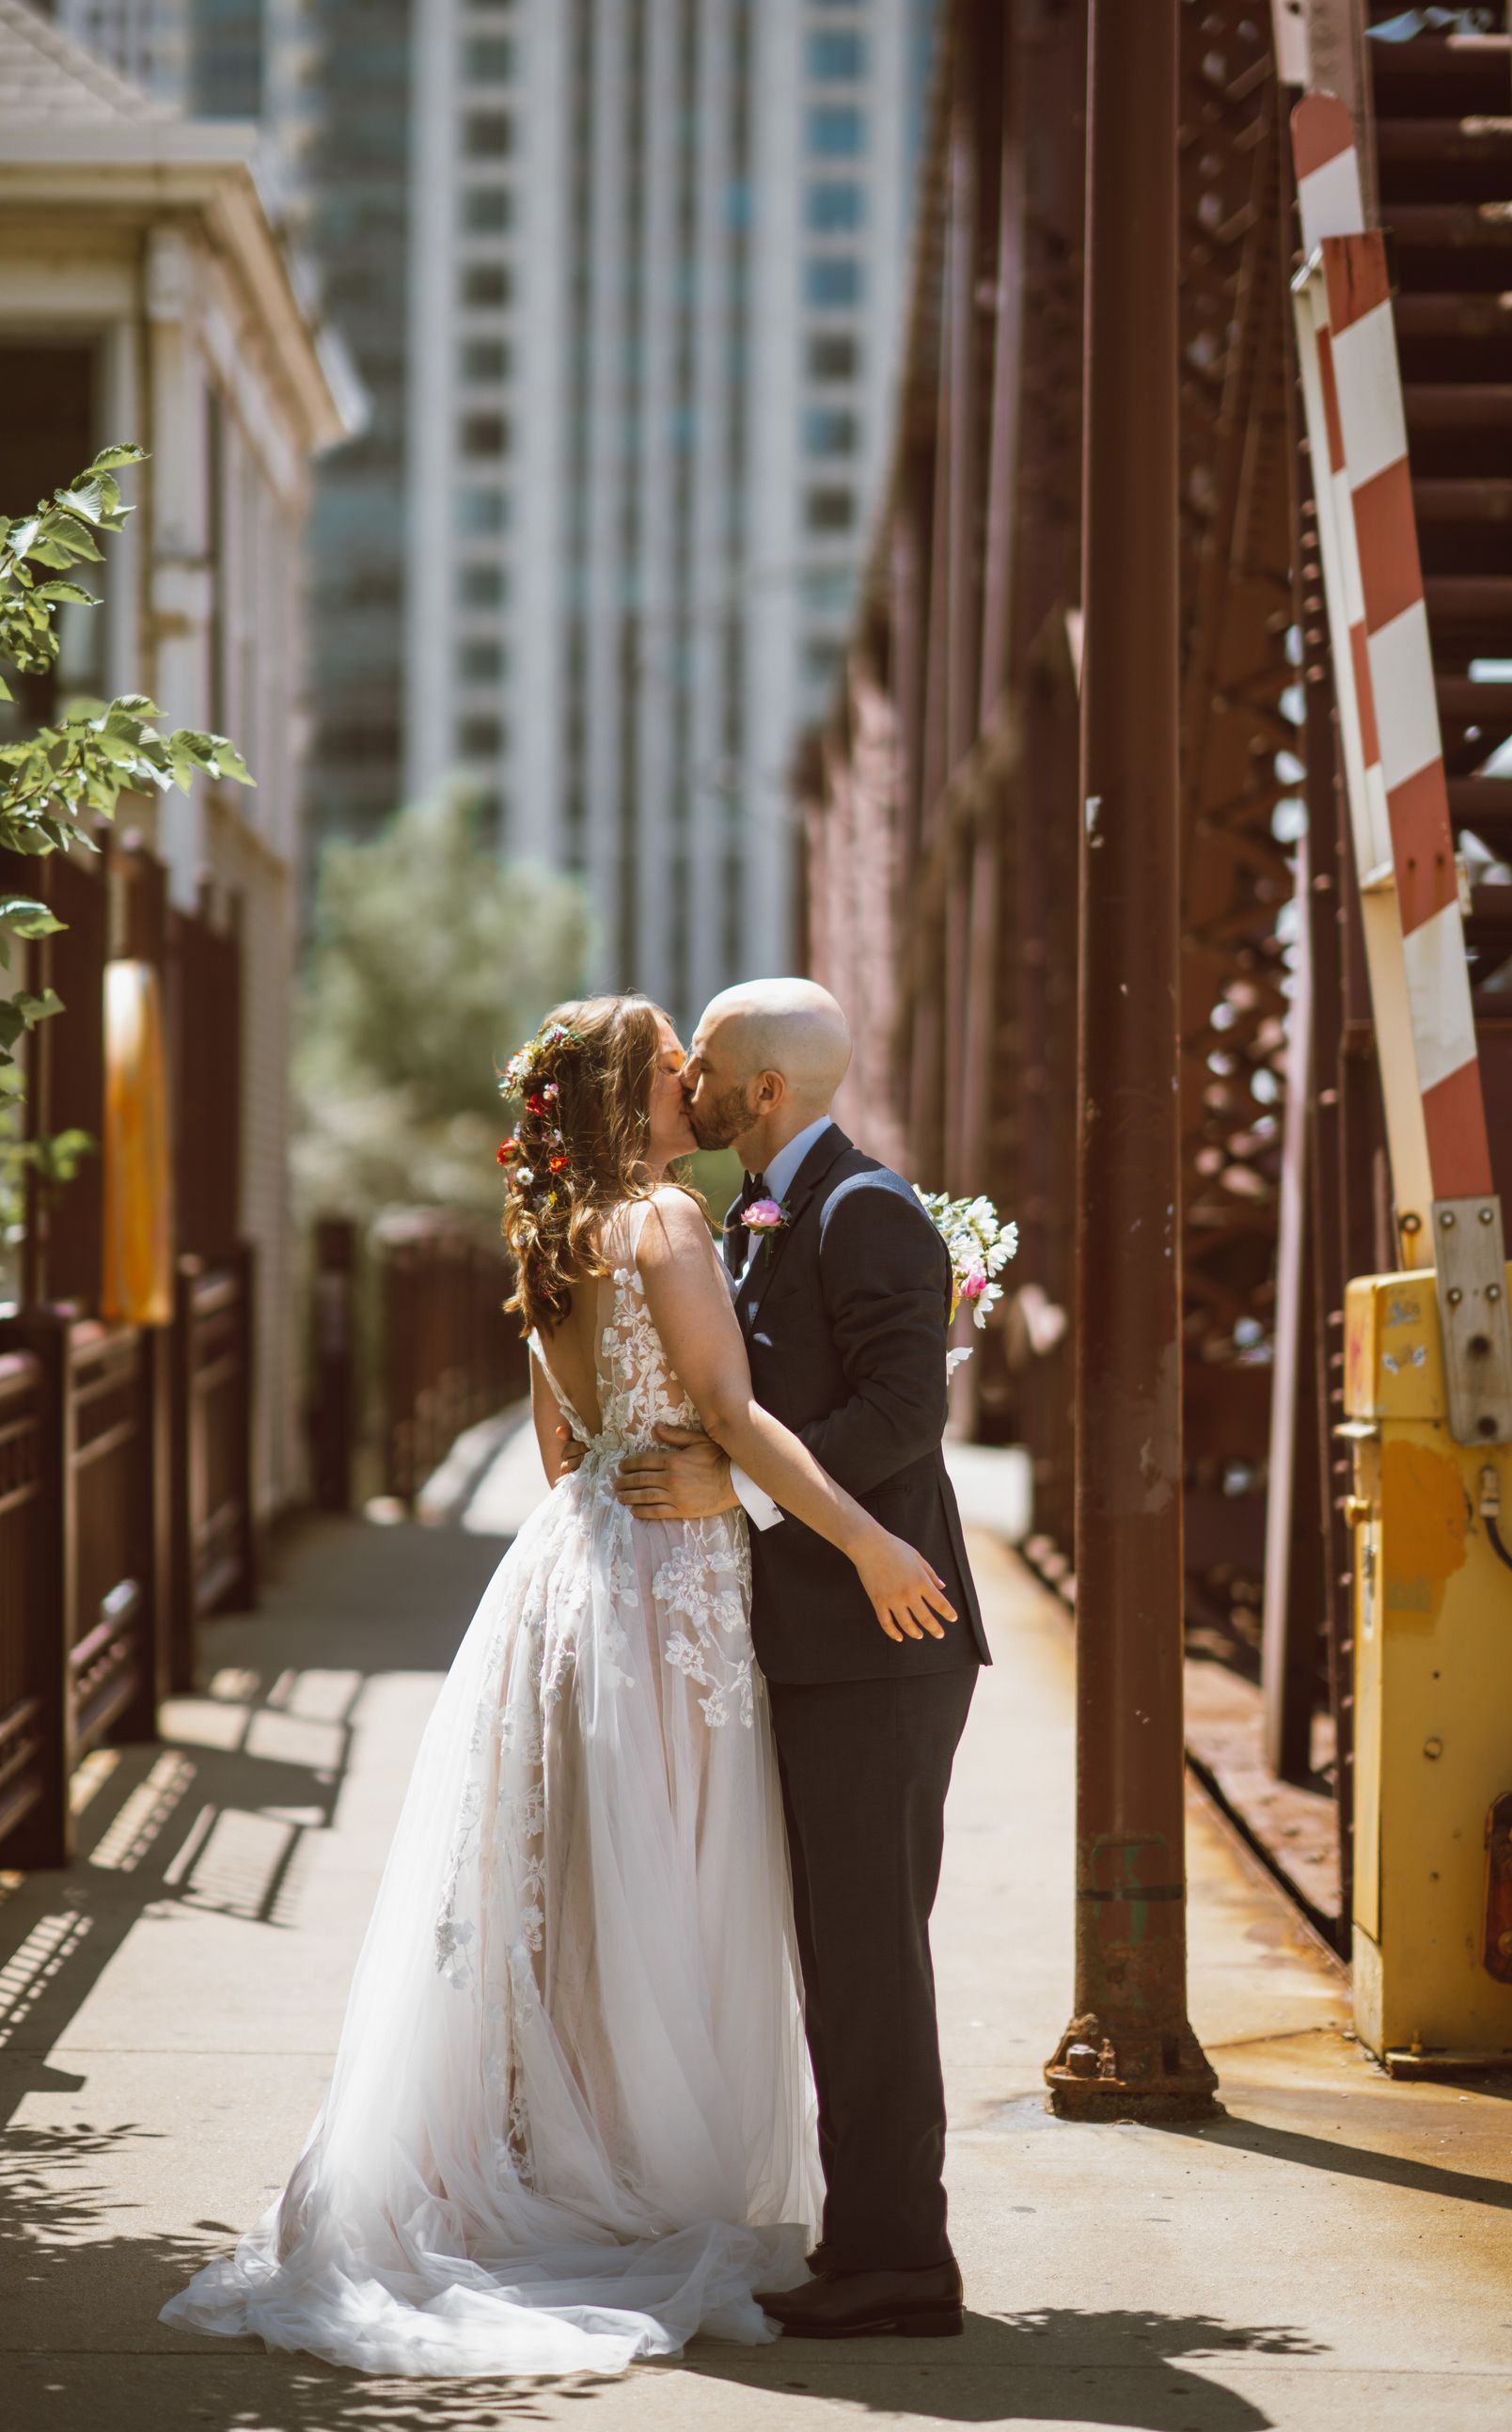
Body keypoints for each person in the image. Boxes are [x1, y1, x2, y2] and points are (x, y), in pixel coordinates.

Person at [160, 993, 955, 2379]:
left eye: (699, 1061)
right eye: (666, 1063)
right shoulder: (671, 1224)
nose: (687, 1077)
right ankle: (653, 2185)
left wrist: (617, 1536)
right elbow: (726, 1412)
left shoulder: (556, 1239)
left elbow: (559, 1448)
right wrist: (866, 1537)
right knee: (674, 1888)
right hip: (675, 1585)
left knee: (581, 1887)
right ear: (626, 1095)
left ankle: (572, 2163)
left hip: (575, 1572)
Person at [607, 976, 990, 2342]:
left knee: (870, 1956)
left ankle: (902, 2259)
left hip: (883, 1647)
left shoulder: (862, 1206)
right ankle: (870, 2239)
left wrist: (742, 1486)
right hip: (825, 1646)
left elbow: (904, 1413)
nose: (687, 1081)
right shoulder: (777, 1207)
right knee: (845, 1951)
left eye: (703, 1063)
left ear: (762, 1091)